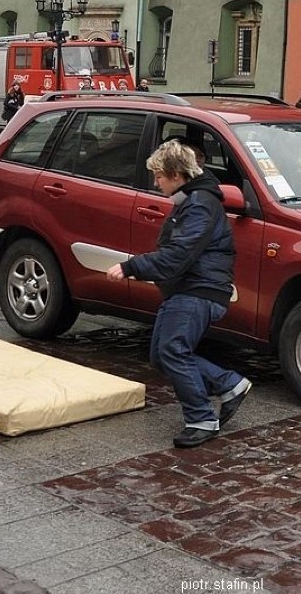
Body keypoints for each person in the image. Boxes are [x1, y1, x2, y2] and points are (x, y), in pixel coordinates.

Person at [106, 139, 251, 448]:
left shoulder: (199, 204)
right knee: (162, 354)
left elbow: (178, 254)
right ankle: (229, 384)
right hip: (190, 288)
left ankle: (201, 418)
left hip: (198, 291)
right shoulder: (193, 200)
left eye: (159, 175)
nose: (156, 182)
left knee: (172, 351)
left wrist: (131, 267)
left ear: (177, 174)